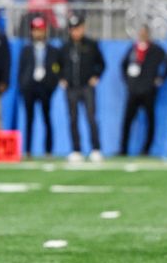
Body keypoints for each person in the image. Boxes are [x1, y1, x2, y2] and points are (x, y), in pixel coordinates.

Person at [59, 13, 105, 162]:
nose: (75, 32)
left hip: (86, 87)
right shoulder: (65, 47)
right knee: (73, 119)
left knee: (91, 117)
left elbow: (102, 63)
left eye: (77, 28)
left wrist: (96, 76)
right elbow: (57, 65)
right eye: (72, 29)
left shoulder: (91, 44)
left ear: (83, 28)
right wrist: (62, 78)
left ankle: (96, 149)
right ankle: (76, 149)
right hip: (71, 87)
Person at [119, 25, 165, 156]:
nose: (142, 35)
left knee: (150, 120)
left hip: (148, 91)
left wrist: (160, 78)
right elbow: (123, 66)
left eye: (145, 32)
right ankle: (123, 149)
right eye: (141, 33)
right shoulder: (132, 49)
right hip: (133, 90)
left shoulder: (156, 50)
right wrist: (128, 82)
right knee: (127, 121)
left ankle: (146, 150)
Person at [18, 17, 60, 157]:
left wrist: (52, 86)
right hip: (30, 87)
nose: (37, 33)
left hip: (45, 87)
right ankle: (28, 150)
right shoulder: (26, 49)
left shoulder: (53, 50)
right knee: (29, 120)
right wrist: (23, 86)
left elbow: (57, 70)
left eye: (40, 30)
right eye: (35, 30)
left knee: (47, 118)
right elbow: (21, 70)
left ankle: (48, 150)